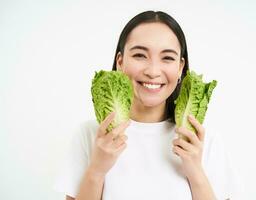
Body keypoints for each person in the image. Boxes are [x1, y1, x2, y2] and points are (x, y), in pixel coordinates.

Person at [53, 10, 243, 200]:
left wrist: (196, 174)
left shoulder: (203, 142)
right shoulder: (92, 136)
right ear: (120, 62)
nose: (153, 71)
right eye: (140, 55)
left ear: (180, 68)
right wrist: (97, 171)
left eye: (167, 58)